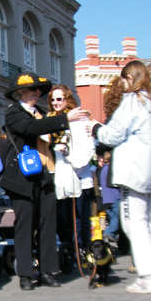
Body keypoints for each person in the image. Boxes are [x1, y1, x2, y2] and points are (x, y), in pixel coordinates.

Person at [90, 60, 151, 294]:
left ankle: (148, 276)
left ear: (130, 79)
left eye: (123, 80)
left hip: (133, 170)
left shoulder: (132, 101)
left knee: (134, 224)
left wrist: (95, 129)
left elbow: (113, 134)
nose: (122, 84)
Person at [1, 72, 88, 291]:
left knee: (48, 224)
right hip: (22, 176)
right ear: (21, 92)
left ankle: (48, 271)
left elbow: (48, 130)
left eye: (39, 89)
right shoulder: (13, 113)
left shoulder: (41, 113)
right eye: (33, 89)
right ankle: (26, 275)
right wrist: (65, 119)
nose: (37, 92)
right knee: (24, 226)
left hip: (46, 174)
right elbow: (31, 129)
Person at [49, 84, 96, 251]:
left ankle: (81, 251)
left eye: (59, 98)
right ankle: (69, 250)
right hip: (58, 178)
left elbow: (88, 149)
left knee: (78, 218)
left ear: (67, 99)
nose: (55, 102)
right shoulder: (51, 119)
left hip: (78, 176)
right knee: (62, 218)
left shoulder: (79, 120)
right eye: (52, 99)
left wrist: (68, 151)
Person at [98, 150, 121, 242]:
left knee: (112, 217)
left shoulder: (103, 169)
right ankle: (108, 232)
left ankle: (113, 236)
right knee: (117, 217)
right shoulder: (110, 170)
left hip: (106, 198)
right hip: (114, 196)